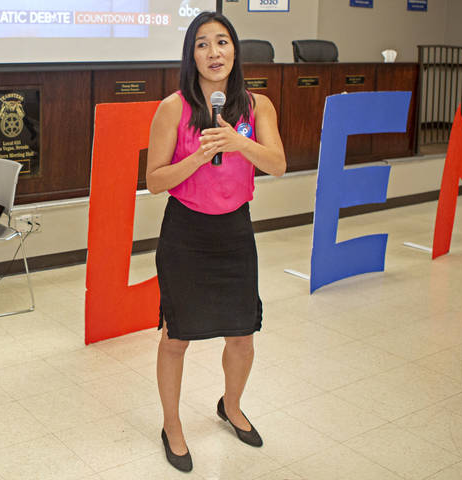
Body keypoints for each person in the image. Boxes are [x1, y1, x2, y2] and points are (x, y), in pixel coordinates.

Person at [145, 11, 286, 473]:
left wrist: (236, 142)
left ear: (235, 51)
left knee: (242, 336)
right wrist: (199, 157)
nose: (213, 53)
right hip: (186, 233)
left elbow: (278, 165)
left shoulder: (256, 106)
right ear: (191, 55)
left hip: (234, 231)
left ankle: (231, 405)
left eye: (221, 42)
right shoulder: (172, 108)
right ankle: (172, 425)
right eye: (202, 44)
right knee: (176, 337)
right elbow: (155, 181)